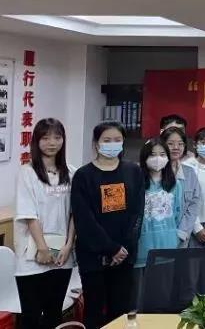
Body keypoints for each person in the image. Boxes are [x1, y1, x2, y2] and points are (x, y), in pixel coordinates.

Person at [71, 121, 144, 329]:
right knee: (94, 310)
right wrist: (111, 248)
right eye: (107, 140)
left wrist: (123, 248)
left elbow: (137, 213)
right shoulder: (83, 175)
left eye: (117, 140)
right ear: (96, 143)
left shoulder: (133, 171)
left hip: (124, 256)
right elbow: (84, 219)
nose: (112, 144)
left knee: (120, 312)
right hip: (93, 257)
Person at [14, 118, 76, 329]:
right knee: (31, 315)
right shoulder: (27, 172)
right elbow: (28, 214)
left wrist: (68, 246)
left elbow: (74, 214)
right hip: (32, 256)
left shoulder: (71, 172)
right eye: (46, 138)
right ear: (36, 141)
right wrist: (42, 248)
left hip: (62, 255)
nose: (52, 143)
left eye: (57, 137)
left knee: (53, 313)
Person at [134, 138, 182, 307]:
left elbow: (177, 214)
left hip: (167, 247)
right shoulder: (136, 182)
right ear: (144, 158)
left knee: (163, 298)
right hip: (142, 247)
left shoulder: (175, 184)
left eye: (162, 154)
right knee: (139, 299)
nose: (157, 158)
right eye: (153, 154)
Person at [160, 127, 200, 247]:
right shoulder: (155, 171)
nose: (176, 147)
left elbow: (194, 204)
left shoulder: (190, 172)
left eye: (180, 144)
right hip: (158, 234)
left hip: (181, 237)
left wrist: (182, 232)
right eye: (170, 144)